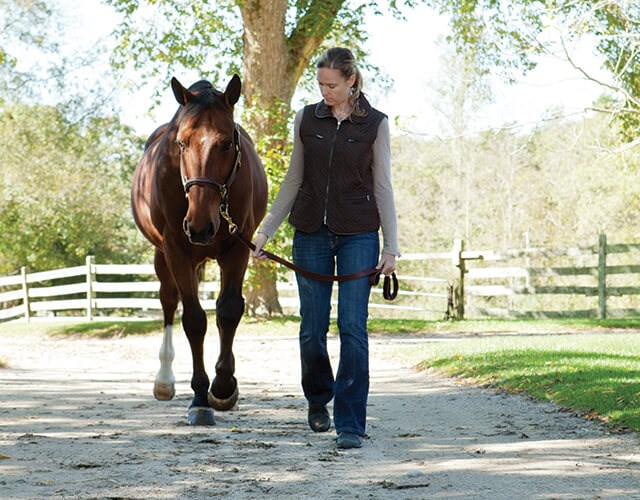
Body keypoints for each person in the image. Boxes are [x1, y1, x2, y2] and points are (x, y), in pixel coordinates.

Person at [252, 47, 399, 450]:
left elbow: (383, 185)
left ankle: (350, 423)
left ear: (351, 81)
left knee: (353, 328)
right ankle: (319, 398)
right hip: (311, 232)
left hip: (359, 233)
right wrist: (265, 231)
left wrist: (392, 246)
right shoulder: (306, 118)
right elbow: (292, 180)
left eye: (332, 85)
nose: (325, 92)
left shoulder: (376, 124)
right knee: (312, 327)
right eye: (320, 85)